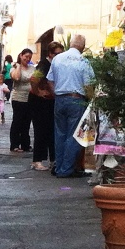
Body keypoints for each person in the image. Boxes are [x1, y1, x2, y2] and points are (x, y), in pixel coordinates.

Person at [47, 34, 95, 178]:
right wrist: (91, 101)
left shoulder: (57, 58)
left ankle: (59, 166)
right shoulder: (83, 61)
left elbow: (49, 80)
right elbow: (88, 85)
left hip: (60, 99)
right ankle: (65, 169)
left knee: (59, 134)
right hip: (76, 99)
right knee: (74, 136)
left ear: (70, 44)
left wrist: (56, 93)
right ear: (83, 47)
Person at [29, 41, 64, 171]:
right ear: (50, 53)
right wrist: (38, 92)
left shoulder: (55, 64)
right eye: (56, 54)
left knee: (51, 130)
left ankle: (53, 159)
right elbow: (34, 79)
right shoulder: (44, 65)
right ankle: (37, 160)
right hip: (40, 101)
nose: (59, 56)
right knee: (41, 130)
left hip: (49, 100)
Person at [8, 48, 34, 152]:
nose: (27, 59)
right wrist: (19, 66)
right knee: (17, 121)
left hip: (30, 98)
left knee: (26, 122)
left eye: (29, 57)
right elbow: (17, 78)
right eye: (26, 57)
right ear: (21, 56)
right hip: (18, 98)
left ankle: (25, 144)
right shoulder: (14, 68)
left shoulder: (32, 68)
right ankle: (14, 144)